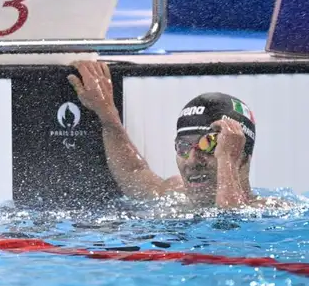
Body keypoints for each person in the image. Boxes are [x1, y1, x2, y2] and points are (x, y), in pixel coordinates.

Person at [68, 61, 263, 209]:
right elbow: (134, 172)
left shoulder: (268, 214)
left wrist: (226, 158)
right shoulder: (175, 193)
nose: (192, 161)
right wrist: (108, 115)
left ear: (242, 158)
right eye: (183, 147)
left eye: (210, 145)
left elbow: (230, 227)